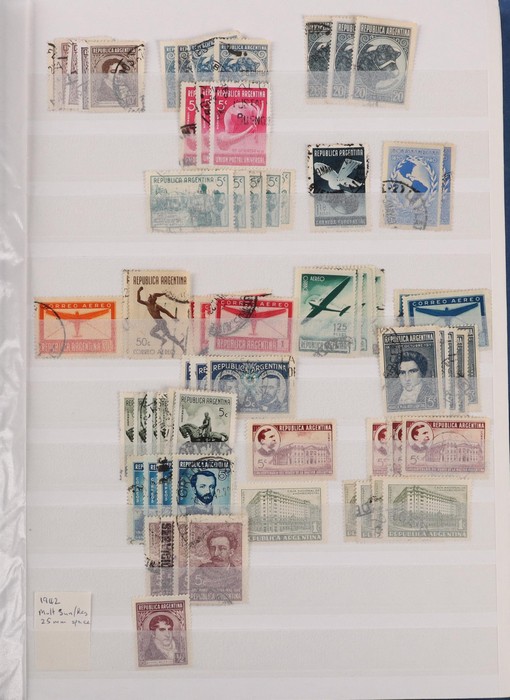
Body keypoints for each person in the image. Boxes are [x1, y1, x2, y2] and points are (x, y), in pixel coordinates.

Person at [190, 529, 242, 601]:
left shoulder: (239, 577)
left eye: (222, 548)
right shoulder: (201, 571)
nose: (216, 553)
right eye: (212, 548)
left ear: (231, 552)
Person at [137, 286, 184, 352]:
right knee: (166, 335)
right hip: (159, 323)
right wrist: (138, 291)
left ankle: (177, 344)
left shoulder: (156, 306)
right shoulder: (147, 304)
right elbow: (138, 300)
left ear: (153, 299)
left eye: (150, 297)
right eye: (149, 297)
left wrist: (173, 317)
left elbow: (166, 312)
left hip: (161, 322)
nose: (148, 298)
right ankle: (171, 342)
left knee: (155, 333)